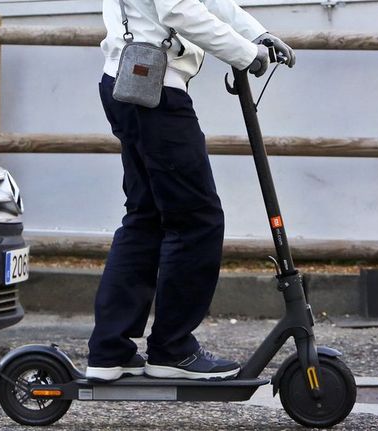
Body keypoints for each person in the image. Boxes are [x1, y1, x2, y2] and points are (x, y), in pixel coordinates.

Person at [86, 0, 296, 382]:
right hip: (155, 93)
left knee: (145, 218)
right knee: (198, 220)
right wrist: (246, 53)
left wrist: (254, 33)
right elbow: (179, 10)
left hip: (129, 81)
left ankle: (109, 351)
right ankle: (172, 348)